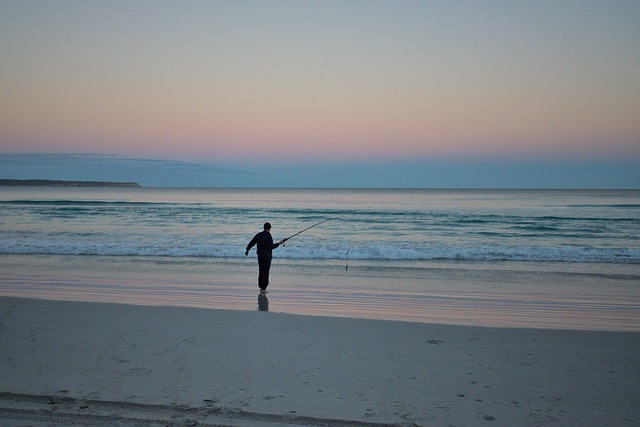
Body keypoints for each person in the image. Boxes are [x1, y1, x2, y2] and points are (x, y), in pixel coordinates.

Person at [245, 222, 284, 293]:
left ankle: (260, 287)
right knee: (266, 272)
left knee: (261, 271)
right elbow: (271, 247)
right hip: (267, 256)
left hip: (259, 255)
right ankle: (263, 288)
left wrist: (247, 250)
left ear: (264, 227)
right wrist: (279, 243)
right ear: (270, 228)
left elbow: (252, 242)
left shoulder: (259, 235)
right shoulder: (269, 236)